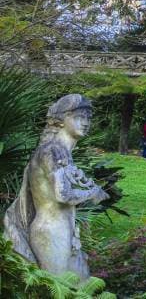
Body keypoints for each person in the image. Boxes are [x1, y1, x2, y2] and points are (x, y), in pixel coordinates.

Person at [3, 94, 108, 277]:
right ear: (61, 119)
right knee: (60, 287)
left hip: (63, 229)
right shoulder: (53, 151)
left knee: (81, 282)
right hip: (51, 231)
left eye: (88, 118)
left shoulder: (61, 151)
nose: (85, 123)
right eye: (79, 117)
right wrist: (93, 192)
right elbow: (63, 195)